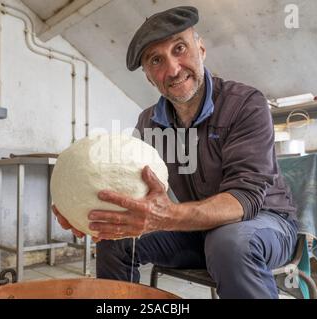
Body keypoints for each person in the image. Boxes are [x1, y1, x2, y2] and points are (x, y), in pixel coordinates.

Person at [53, 6, 299, 299]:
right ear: (148, 77)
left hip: (265, 223)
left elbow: (244, 199)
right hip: (195, 230)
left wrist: (168, 216)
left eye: (179, 49)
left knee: (228, 243)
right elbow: (133, 191)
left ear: (202, 49)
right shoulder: (148, 122)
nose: (172, 69)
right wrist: (87, 210)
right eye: (157, 60)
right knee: (115, 242)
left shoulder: (245, 104)